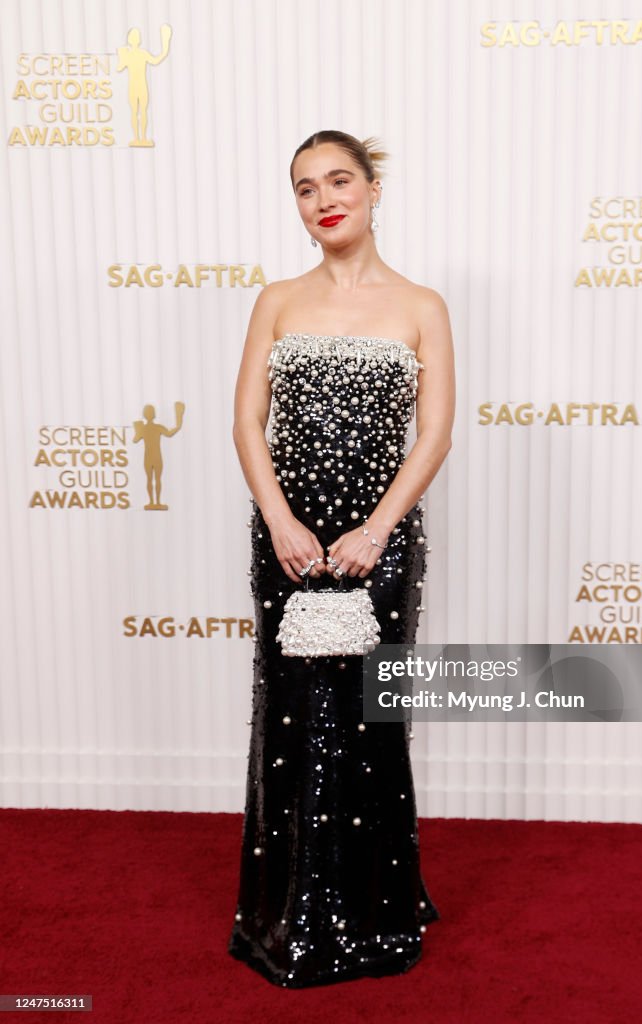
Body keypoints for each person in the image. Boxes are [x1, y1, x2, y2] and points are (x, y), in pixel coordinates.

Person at [227, 130, 455, 988]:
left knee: (367, 718)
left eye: (338, 181)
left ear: (371, 190)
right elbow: (248, 421)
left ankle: (374, 909)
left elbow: (432, 433)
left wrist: (376, 531)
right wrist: (279, 519)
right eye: (303, 187)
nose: (322, 198)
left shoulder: (421, 304)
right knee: (289, 719)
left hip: (381, 538)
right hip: (286, 536)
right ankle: (284, 912)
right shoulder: (278, 300)